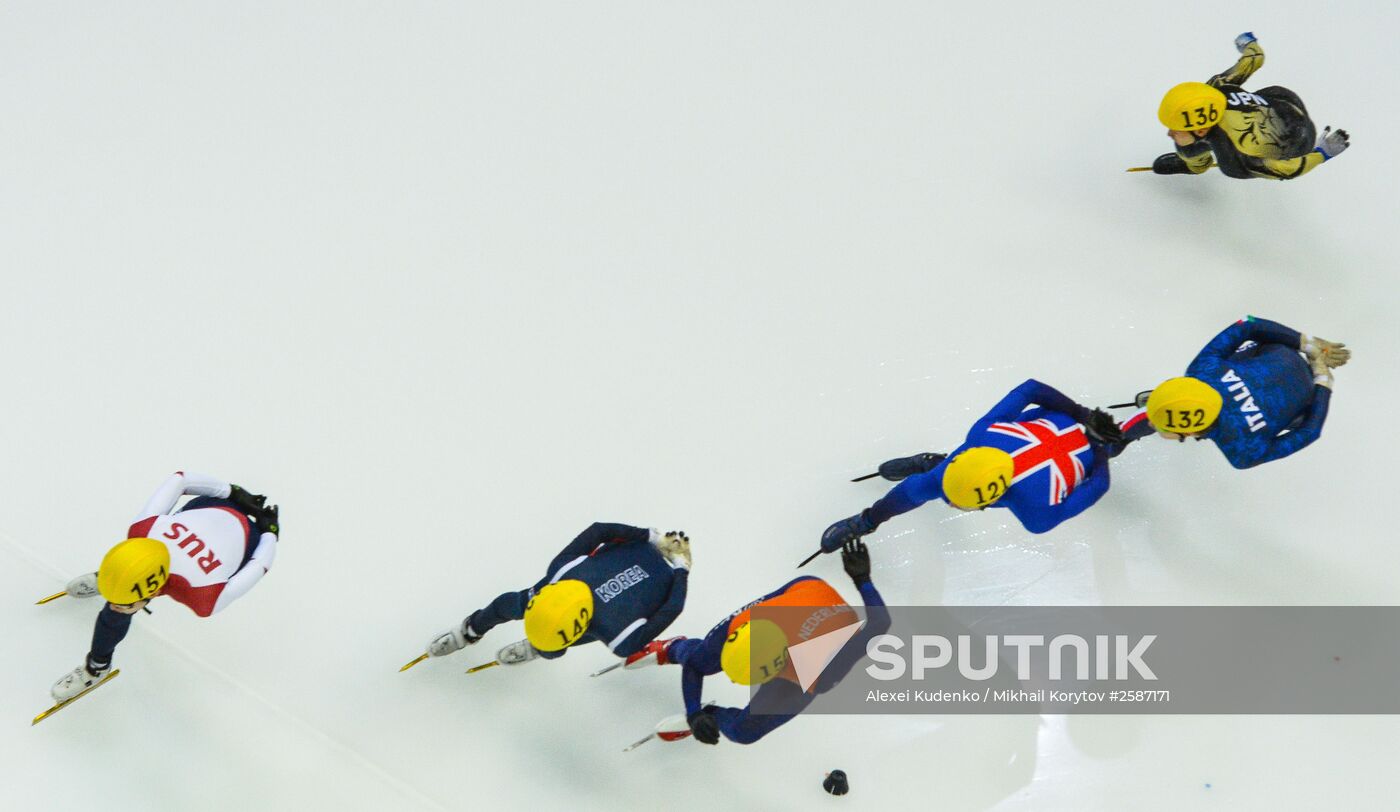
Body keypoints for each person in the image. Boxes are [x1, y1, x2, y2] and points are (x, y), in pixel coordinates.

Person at [625, 540, 887, 745]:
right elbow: (696, 665)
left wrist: (862, 580)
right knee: (703, 656)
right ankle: (673, 648)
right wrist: (694, 713)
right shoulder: (743, 623)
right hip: (805, 591)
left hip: (814, 617)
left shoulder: (821, 671)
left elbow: (879, 625)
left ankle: (712, 714)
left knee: (745, 732)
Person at [819, 379, 1124, 553]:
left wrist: (1098, 447)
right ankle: (929, 470)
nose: (950, 504)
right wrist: (1086, 424)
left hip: (1058, 437)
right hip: (1060, 431)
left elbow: (1030, 388)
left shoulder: (1037, 512)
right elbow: (1099, 485)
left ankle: (930, 469)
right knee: (925, 484)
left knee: (924, 485)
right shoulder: (986, 433)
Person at [51, 472, 279, 702]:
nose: (115, 604)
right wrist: (231, 492)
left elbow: (259, 565)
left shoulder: (204, 595)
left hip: (249, 538)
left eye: (125, 602)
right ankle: (117, 580)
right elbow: (180, 479)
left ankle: (97, 667)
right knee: (124, 594)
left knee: (113, 616)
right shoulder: (143, 530)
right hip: (215, 505)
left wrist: (268, 534)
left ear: (152, 591)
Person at [422, 523, 690, 667]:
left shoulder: (562, 570)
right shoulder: (619, 639)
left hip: (648, 573)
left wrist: (652, 541)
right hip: (648, 575)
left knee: (515, 606)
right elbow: (672, 608)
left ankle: (522, 642)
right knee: (518, 608)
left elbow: (599, 531)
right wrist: (677, 568)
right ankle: (485, 632)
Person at [1119, 316, 1348, 468]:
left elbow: (1309, 432)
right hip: (1284, 359)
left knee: (1289, 421)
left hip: (1301, 390)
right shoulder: (1203, 369)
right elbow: (1248, 323)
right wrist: (1310, 354)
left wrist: (1321, 381)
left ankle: (1163, 419)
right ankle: (1178, 406)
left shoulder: (1243, 450)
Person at [1150, 32, 1349, 180]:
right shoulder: (1216, 89)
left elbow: (1291, 169)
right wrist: (1248, 43)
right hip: (1283, 102)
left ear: (1201, 130)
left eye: (1176, 129)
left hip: (1297, 142)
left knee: (1196, 152)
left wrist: (1323, 152)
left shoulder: (1241, 153)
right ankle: (1195, 164)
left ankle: (1194, 164)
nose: (1169, 133)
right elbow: (1254, 59)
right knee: (1186, 143)